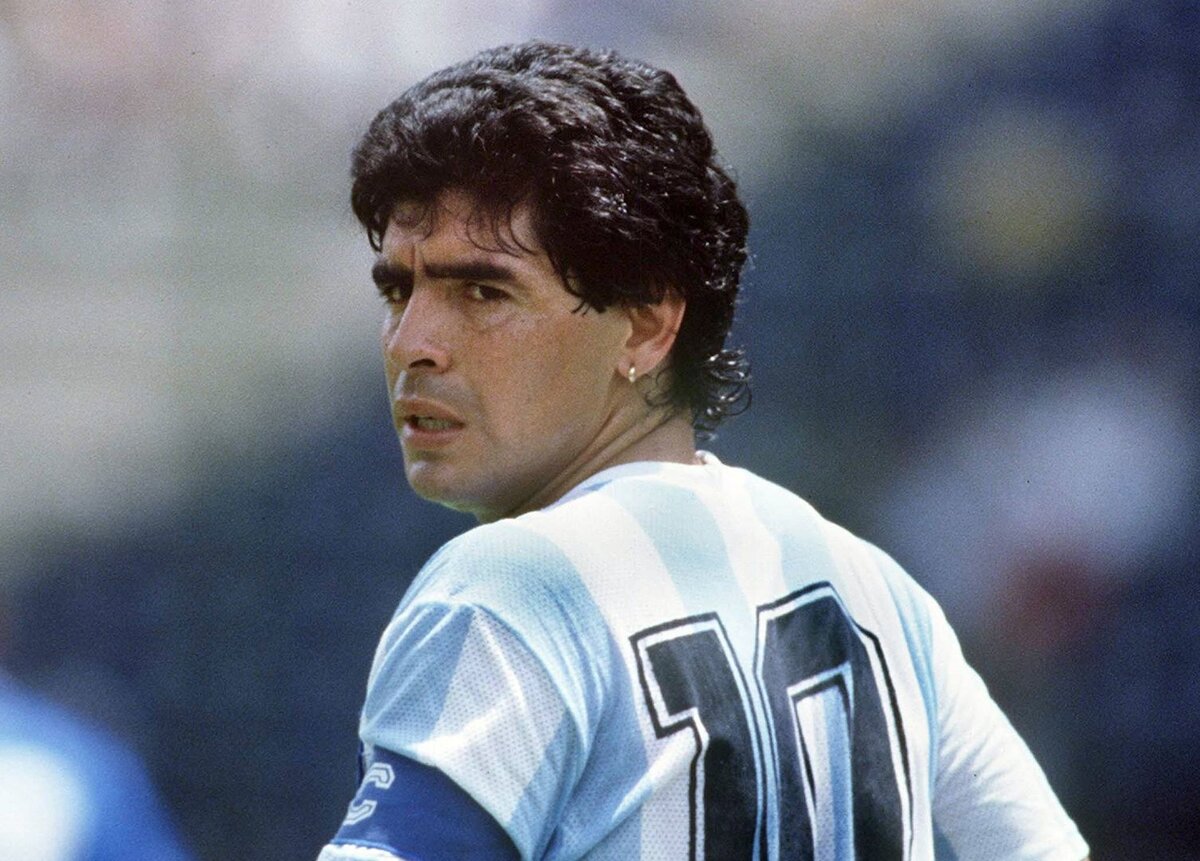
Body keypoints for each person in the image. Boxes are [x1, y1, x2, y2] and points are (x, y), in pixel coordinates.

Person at [318, 41, 1089, 861]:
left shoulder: (511, 589)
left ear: (647, 325)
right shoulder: (878, 592)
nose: (412, 342)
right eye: (398, 290)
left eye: (483, 291)